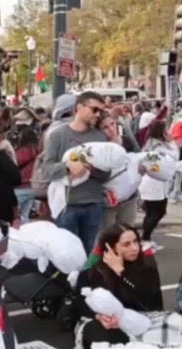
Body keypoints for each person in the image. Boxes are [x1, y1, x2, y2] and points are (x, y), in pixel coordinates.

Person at [76, 224, 162, 349]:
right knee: (97, 332)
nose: (134, 248)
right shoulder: (95, 271)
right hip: (107, 323)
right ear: (110, 248)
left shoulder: (146, 268)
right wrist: (98, 316)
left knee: (176, 326)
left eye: (135, 242)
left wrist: (122, 273)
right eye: (126, 244)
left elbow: (149, 301)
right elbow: (81, 303)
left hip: (142, 320)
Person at [41, 91, 111, 251]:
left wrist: (92, 168)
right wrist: (67, 167)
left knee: (88, 254)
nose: (97, 115)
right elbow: (46, 170)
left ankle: (85, 277)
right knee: (66, 254)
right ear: (79, 108)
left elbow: (106, 174)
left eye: (101, 111)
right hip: (67, 205)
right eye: (94, 110)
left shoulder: (100, 137)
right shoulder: (57, 135)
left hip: (93, 203)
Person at [139, 120, 179, 250]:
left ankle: (146, 238)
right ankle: (145, 238)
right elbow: (174, 156)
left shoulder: (151, 143)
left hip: (152, 182)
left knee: (151, 212)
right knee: (158, 211)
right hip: (154, 183)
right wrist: (172, 142)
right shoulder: (158, 146)